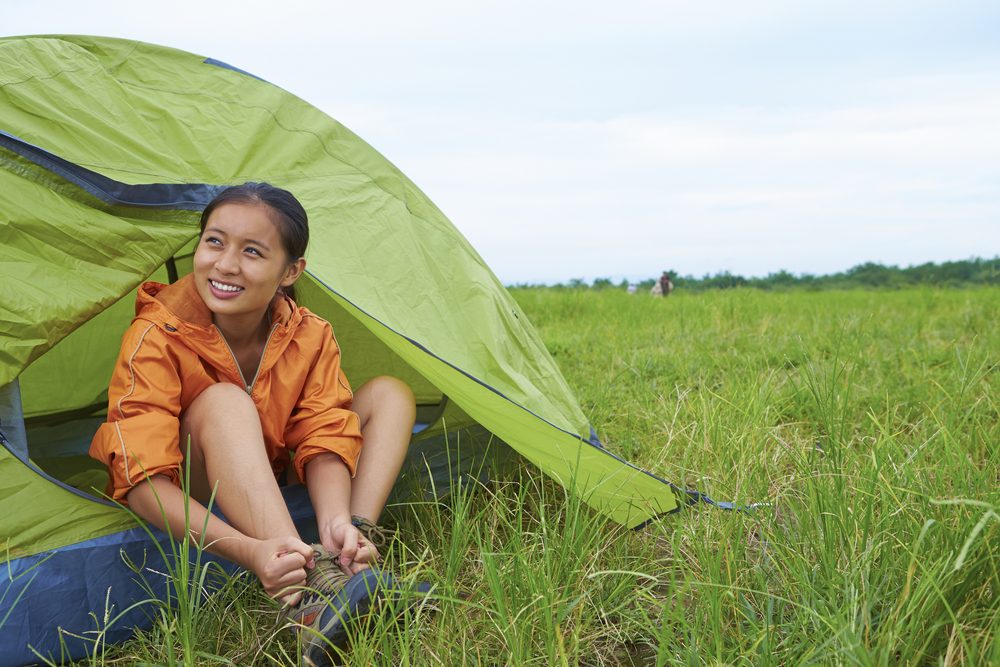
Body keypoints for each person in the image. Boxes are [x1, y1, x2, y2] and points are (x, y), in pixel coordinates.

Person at [88, 182, 416, 664]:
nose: (224, 264)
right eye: (214, 241)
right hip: (201, 491)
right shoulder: (156, 334)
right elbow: (142, 483)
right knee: (223, 401)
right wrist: (248, 552)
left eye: (252, 252)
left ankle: (349, 551)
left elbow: (324, 431)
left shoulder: (308, 334)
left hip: (276, 471)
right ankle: (309, 596)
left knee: (390, 393)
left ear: (290, 271)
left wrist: (337, 518)